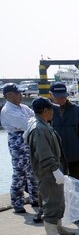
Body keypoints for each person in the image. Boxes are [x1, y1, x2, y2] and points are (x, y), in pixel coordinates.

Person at [24, 98, 74, 235]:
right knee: (51, 201)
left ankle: (57, 228)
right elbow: (43, 153)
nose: (53, 112)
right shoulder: (38, 128)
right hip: (48, 171)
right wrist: (54, 169)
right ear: (45, 110)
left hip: (53, 169)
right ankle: (51, 233)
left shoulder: (43, 125)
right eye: (51, 109)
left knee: (58, 200)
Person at [1, 83, 40, 217]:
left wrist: (32, 120)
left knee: (33, 171)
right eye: (17, 93)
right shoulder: (7, 110)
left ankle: (35, 198)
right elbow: (27, 123)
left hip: (29, 139)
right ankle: (17, 202)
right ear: (9, 95)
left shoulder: (23, 107)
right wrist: (31, 121)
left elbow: (36, 119)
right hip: (17, 141)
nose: (21, 95)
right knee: (19, 173)